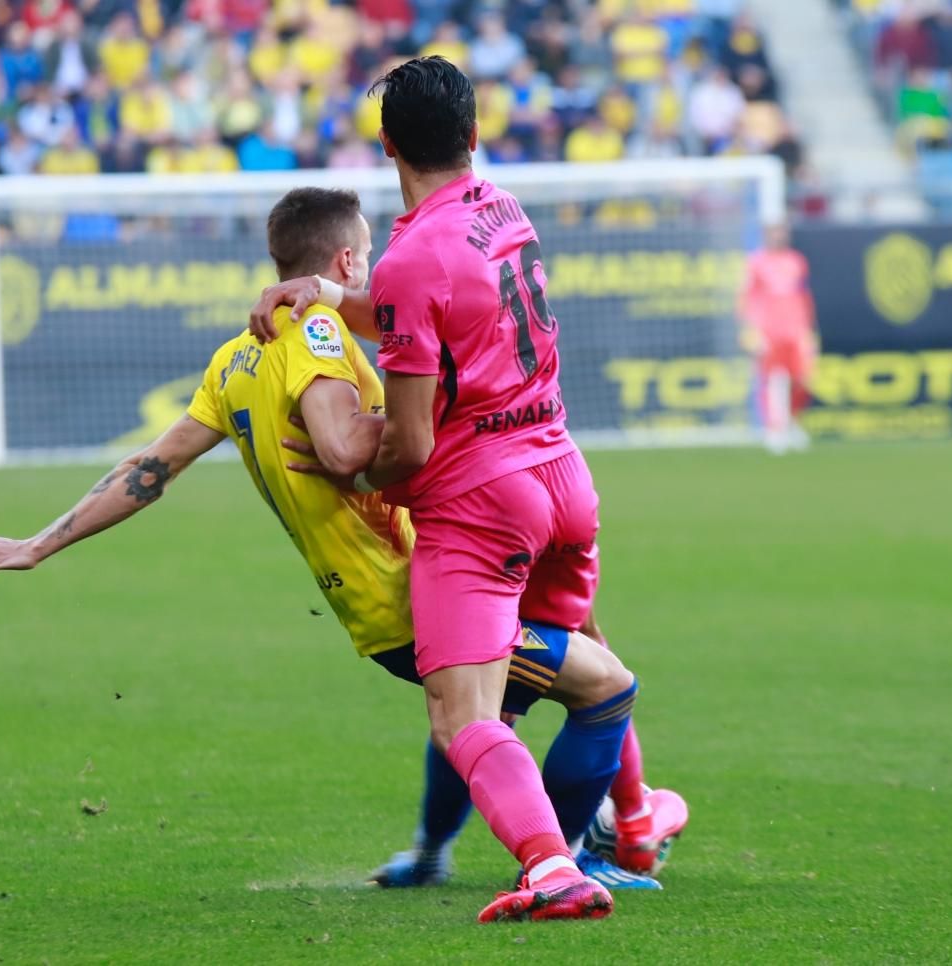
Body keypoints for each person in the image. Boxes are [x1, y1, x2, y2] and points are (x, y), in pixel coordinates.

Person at [0, 187, 678, 897]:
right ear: (344, 260)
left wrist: (36, 544)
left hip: (376, 607)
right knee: (605, 690)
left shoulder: (231, 362)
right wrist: (392, 437)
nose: (370, 265)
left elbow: (151, 468)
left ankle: (437, 854)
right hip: (419, 588)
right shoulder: (318, 336)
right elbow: (339, 449)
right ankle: (576, 857)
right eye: (365, 251)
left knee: (476, 713)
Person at [245, 57, 662, 923]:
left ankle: (551, 866)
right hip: (562, 480)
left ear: (388, 144)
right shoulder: (505, 210)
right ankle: (623, 830)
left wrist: (344, 469)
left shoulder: (406, 259)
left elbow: (407, 445)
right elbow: (430, 305)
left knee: (462, 714)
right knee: (592, 678)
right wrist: (331, 291)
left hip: (482, 504)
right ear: (472, 135)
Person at [739, 223, 817, 454]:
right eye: (774, 232)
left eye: (782, 231)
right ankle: (774, 429)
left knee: (803, 379)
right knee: (773, 380)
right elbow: (746, 297)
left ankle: (792, 422)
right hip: (769, 331)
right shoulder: (756, 263)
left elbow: (804, 295)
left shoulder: (797, 261)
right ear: (765, 235)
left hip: (797, 330)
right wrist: (750, 329)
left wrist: (808, 327)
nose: (779, 236)